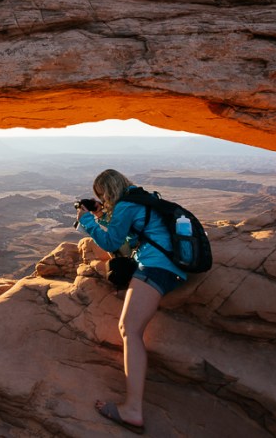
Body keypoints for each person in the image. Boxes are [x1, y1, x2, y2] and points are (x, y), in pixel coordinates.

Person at [75, 169, 187, 435]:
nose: (102, 200)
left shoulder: (126, 205)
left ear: (108, 190)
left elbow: (112, 241)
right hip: (169, 266)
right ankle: (132, 407)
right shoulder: (140, 198)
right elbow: (127, 243)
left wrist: (88, 221)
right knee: (130, 328)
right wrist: (102, 216)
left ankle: (132, 410)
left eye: (101, 195)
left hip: (157, 268)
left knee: (130, 330)